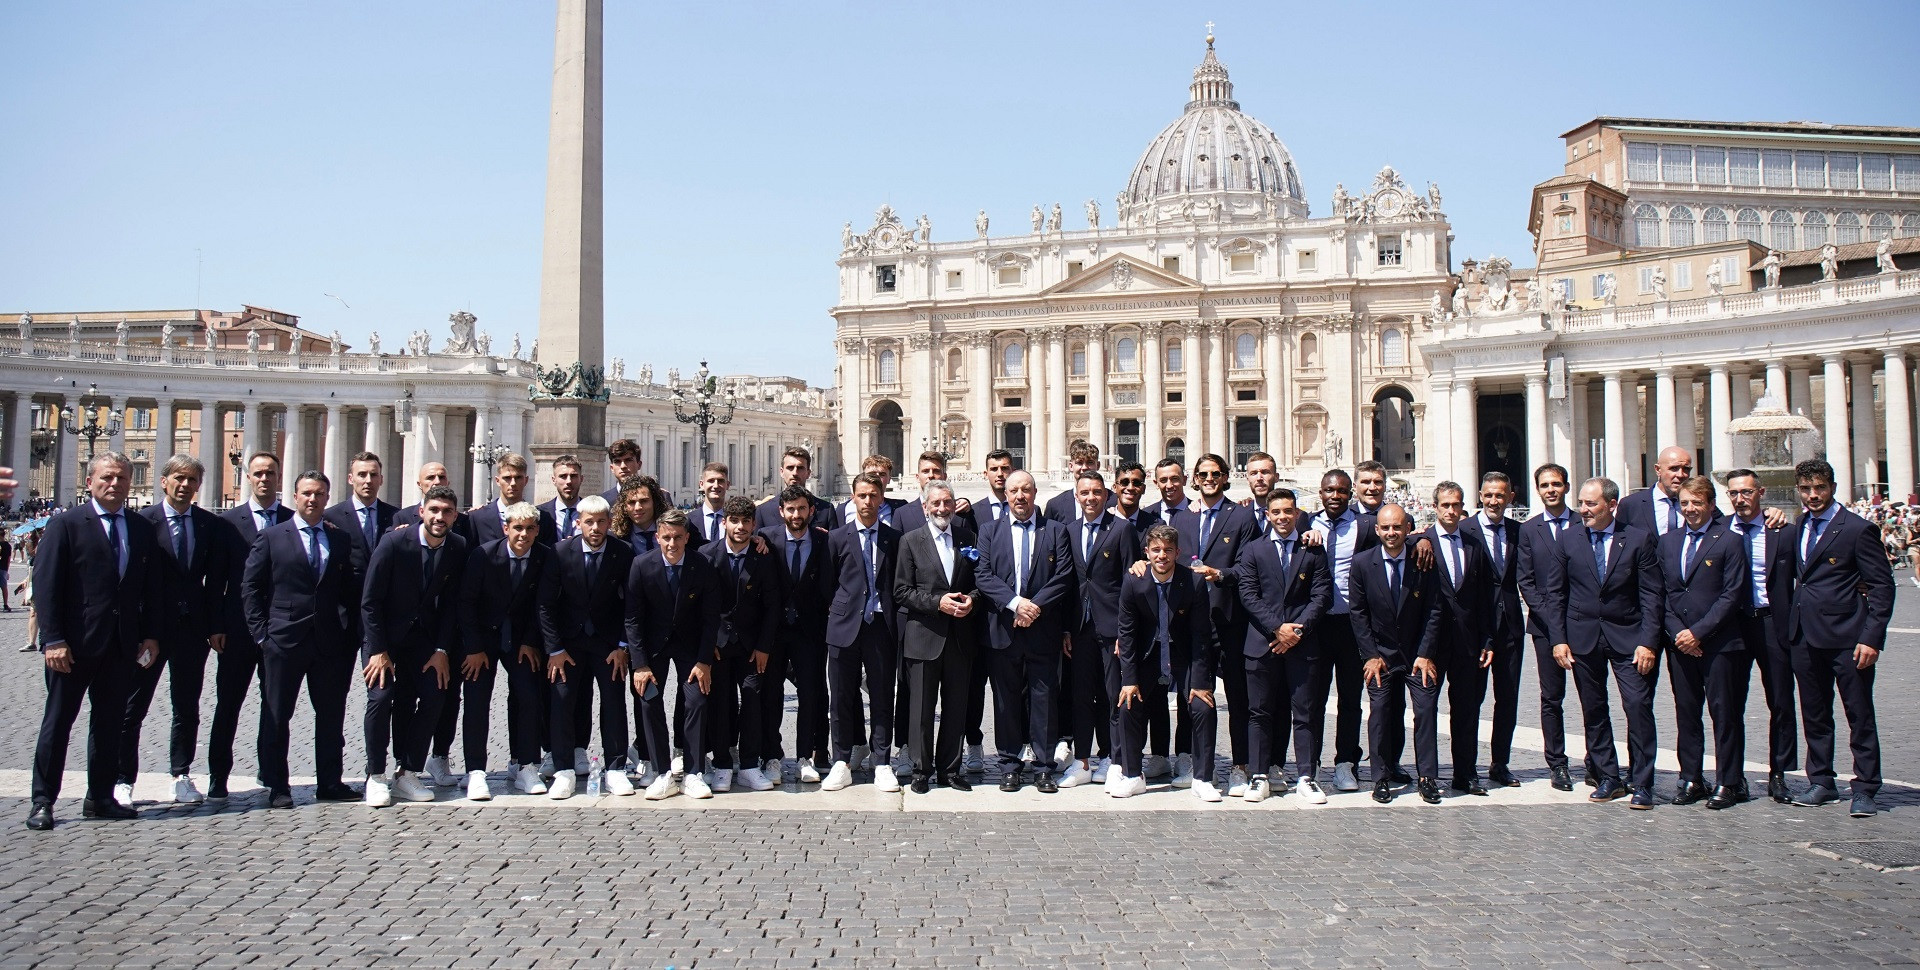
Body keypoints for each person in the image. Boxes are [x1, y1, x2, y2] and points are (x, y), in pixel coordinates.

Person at [27, 453, 162, 831]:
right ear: (90, 481)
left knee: (109, 724)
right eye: (107, 477)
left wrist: (149, 633)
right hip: (72, 645)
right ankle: (42, 801)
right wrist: (52, 639)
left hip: (120, 645)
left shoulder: (139, 528)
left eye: (121, 477)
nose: (115, 484)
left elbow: (149, 588)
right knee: (58, 722)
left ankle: (100, 797)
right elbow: (47, 587)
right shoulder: (66, 525)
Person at [1542, 477, 1663, 810]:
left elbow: (1652, 595)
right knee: (1593, 710)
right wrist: (1559, 640)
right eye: (1581, 503)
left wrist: (1649, 642)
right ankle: (1608, 775)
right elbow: (1556, 594)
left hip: (1629, 637)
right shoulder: (1568, 539)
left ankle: (1642, 782)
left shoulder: (1637, 540)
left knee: (1638, 706)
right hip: (1583, 637)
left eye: (1590, 504)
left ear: (1612, 505)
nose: (1583, 509)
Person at [243, 470, 362, 810]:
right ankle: (278, 785)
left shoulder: (338, 539)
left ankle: (330, 781)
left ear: (327, 498)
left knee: (330, 715)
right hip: (283, 640)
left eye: (320, 494)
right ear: (295, 496)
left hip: (327, 641)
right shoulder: (272, 536)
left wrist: (345, 628)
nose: (313, 499)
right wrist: (261, 633)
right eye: (307, 493)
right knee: (278, 715)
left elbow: (346, 588)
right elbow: (250, 587)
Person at [1783, 459, 1894, 817]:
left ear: (1832, 487)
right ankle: (1822, 780)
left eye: (1819, 488)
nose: (1813, 495)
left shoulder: (1857, 529)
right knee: (1815, 713)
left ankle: (1865, 786)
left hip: (1848, 636)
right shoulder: (1799, 525)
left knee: (1858, 713)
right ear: (1798, 489)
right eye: (1806, 489)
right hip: (1805, 635)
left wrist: (1872, 638)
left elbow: (1881, 586)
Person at [121, 456, 232, 808]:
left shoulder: (207, 524)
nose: (185, 485)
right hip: (149, 630)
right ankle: (123, 778)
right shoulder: (142, 522)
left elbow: (215, 582)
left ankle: (181, 773)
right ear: (164, 481)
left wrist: (215, 625)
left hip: (192, 629)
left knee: (187, 705)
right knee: (133, 705)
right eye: (179, 478)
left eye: (192, 480)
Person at [359, 484, 469, 807]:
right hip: (384, 639)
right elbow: (370, 601)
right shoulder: (394, 542)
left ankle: (407, 771)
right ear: (421, 511)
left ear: (454, 516)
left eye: (447, 512)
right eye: (433, 510)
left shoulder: (457, 547)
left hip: (424, 641)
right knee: (381, 698)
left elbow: (451, 605)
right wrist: (378, 651)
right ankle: (376, 774)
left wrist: (442, 650)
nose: (439, 517)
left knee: (437, 693)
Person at [976, 469, 1076, 793]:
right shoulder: (989, 532)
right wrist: (1016, 604)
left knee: (1044, 698)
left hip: (1042, 629)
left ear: (1035, 494)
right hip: (1004, 629)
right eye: (1014, 490)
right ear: (1006, 495)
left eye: (1026, 490)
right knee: (1005, 701)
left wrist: (1034, 607)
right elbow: (984, 575)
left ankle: (1044, 767)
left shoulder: (1055, 531)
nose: (1020, 496)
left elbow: (1063, 576)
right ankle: (1009, 764)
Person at [1658, 476, 1751, 809]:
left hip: (1719, 642)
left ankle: (1729, 780)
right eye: (1684, 503)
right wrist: (1678, 633)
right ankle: (1691, 776)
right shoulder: (1668, 542)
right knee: (1687, 713)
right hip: (1680, 643)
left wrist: (1698, 632)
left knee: (1724, 714)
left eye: (1697, 503)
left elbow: (1732, 595)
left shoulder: (1729, 541)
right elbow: (1664, 594)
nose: (1690, 509)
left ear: (1711, 505)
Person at [1235, 488, 1332, 803]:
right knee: (1259, 712)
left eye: (1288, 511)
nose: (1282, 517)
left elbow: (1322, 596)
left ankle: (1307, 775)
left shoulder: (1313, 550)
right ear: (1268, 515)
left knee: (1304, 712)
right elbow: (1248, 596)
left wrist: (1296, 631)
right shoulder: (1253, 550)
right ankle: (1260, 774)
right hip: (1263, 642)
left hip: (1302, 644)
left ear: (1297, 513)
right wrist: (1278, 628)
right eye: (1276, 512)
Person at [1170, 453, 1258, 794]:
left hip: (1229, 619)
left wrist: (1219, 574)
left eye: (1215, 473)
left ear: (1225, 478)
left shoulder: (1242, 517)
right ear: (1194, 478)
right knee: (1193, 697)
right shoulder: (1183, 519)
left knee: (1238, 698)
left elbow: (1248, 568)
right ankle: (1196, 763)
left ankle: (1240, 765)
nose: (1209, 478)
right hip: (1192, 623)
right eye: (1203, 474)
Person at [1111, 523, 1218, 800]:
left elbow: (1201, 634)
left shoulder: (1193, 582)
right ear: (1146, 552)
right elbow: (1127, 632)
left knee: (1203, 707)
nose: (1162, 556)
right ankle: (1133, 774)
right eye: (1156, 550)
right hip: (1148, 655)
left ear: (1177, 552)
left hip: (1183, 654)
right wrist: (1129, 680)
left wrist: (1201, 681)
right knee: (1128, 703)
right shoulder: (1134, 581)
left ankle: (1203, 778)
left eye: (1168, 551)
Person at [538, 495, 635, 799]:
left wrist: (622, 644)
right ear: (578, 523)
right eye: (588, 522)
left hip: (608, 645)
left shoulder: (623, 552)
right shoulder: (559, 552)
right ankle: (564, 769)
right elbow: (545, 604)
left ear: (609, 522)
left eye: (601, 521)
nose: (595, 528)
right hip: (569, 644)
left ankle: (617, 769)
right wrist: (554, 649)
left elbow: (631, 604)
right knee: (563, 701)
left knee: (614, 704)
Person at [454, 500, 551, 801]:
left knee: (528, 697)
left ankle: (525, 764)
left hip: (521, 639)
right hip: (482, 640)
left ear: (537, 531)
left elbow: (544, 605)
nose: (523, 534)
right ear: (505, 528)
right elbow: (466, 603)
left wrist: (531, 641)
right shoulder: (483, 555)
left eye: (529, 529)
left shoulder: (544, 557)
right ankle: (475, 771)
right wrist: (473, 648)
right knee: (476, 701)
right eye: (517, 528)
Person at [1347, 504, 1442, 804]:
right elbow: (1358, 613)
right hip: (1381, 655)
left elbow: (1434, 609)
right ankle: (1380, 777)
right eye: (1385, 528)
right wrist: (1370, 655)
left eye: (1397, 527)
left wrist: (1425, 653)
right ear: (1377, 530)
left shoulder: (1422, 560)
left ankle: (1427, 776)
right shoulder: (1362, 563)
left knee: (1426, 710)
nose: (1391, 533)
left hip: (1417, 655)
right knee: (1381, 713)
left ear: (1407, 529)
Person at [210, 451, 292, 800]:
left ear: (278, 476)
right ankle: (218, 775)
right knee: (228, 704)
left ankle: (273, 775)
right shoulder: (227, 522)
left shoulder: (293, 518)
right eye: (258, 473)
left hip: (280, 630)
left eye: (270, 473)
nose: (264, 479)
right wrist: (215, 624)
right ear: (247, 477)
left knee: (276, 707)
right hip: (237, 628)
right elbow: (214, 579)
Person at [627, 508, 724, 799]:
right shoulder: (641, 566)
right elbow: (632, 618)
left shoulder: (702, 565)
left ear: (686, 538)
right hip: (654, 647)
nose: (672, 544)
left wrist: (704, 661)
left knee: (696, 700)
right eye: (666, 538)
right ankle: (660, 772)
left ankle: (694, 772)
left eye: (678, 538)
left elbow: (710, 618)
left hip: (690, 647)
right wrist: (640, 664)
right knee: (649, 701)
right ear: (657, 537)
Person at [891, 480, 980, 793]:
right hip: (924, 635)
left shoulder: (968, 537)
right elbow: (901, 591)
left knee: (957, 707)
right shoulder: (911, 541)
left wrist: (973, 599)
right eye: (936, 503)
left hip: (959, 637)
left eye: (947, 503)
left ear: (954, 506)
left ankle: (950, 769)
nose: (942, 509)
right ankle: (920, 769)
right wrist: (936, 603)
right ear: (925, 507)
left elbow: (978, 582)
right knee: (921, 710)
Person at [820, 472, 901, 791]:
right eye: (862, 495)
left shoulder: (893, 539)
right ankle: (841, 760)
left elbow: (897, 581)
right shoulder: (837, 538)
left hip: (880, 626)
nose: (868, 501)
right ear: (853, 498)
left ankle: (882, 761)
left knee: (882, 695)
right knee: (840, 697)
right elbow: (827, 582)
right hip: (844, 625)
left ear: (882, 498)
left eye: (873, 496)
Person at [1725, 468, 1799, 803]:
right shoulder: (1720, 529)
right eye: (1734, 493)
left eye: (1746, 492)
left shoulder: (1781, 531)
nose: (1740, 499)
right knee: (1729, 703)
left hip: (1772, 622)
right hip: (1733, 625)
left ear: (1761, 492)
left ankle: (1780, 773)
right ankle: (1733, 775)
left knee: (1781, 700)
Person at [1061, 470, 1139, 788]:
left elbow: (1130, 584)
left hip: (1112, 627)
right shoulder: (1066, 531)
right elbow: (1066, 584)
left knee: (1112, 696)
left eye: (1096, 492)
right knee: (1080, 695)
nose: (1090, 497)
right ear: (1076, 497)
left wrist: (1126, 631)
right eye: (1085, 492)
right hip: (1079, 627)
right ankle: (1082, 760)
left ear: (1107, 496)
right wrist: (1065, 629)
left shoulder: (1122, 530)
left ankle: (1112, 757)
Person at [701, 496, 783, 792]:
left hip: (751, 646)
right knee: (721, 704)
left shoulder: (763, 556)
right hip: (719, 646)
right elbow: (702, 607)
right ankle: (722, 763)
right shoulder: (707, 555)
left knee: (752, 701)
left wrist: (763, 647)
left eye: (745, 521)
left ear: (754, 525)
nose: (740, 527)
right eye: (734, 521)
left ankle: (749, 764)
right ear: (724, 523)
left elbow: (772, 605)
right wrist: (707, 644)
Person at [1516, 463, 1588, 791]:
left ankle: (1598, 759)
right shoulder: (1528, 530)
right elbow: (1527, 583)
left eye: (1556, 484)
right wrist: (1554, 623)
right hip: (1545, 626)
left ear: (1567, 487)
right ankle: (1557, 763)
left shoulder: (1583, 522)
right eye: (1544, 484)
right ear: (1537, 489)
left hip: (1585, 623)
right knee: (1551, 697)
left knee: (1592, 695)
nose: (1550, 490)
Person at [1304, 470, 1375, 792]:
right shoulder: (1305, 524)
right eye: (1330, 490)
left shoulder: (1366, 526)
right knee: (1312, 699)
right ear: (1320, 492)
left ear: (1351, 494)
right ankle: (1312, 764)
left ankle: (1346, 762)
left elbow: (1398, 537)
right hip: (1316, 624)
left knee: (1351, 698)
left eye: (1342, 491)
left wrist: (1423, 538)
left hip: (1351, 623)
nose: (1335, 495)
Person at [1424, 482, 1495, 796]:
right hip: (1431, 644)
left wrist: (1487, 640)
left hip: (1467, 641)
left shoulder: (1474, 545)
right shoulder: (1420, 543)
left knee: (1466, 710)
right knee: (1425, 711)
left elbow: (1484, 597)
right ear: (1435, 507)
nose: (1451, 511)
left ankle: (1465, 773)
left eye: (1456, 505)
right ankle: (1426, 775)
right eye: (1445, 505)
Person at [760, 485, 833, 782]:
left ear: (811, 510)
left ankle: (805, 756)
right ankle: (772, 756)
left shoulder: (823, 540)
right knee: (771, 694)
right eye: (790, 510)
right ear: (781, 512)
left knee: (810, 694)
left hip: (809, 630)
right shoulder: (766, 539)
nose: (796, 515)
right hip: (775, 630)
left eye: (802, 509)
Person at [1458, 471, 1525, 787]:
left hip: (1510, 626)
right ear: (1480, 496)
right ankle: (1467, 767)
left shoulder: (1518, 531)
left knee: (1508, 698)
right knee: (1472, 698)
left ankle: (1500, 762)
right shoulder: (1463, 529)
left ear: (1510, 497)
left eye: (1501, 495)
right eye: (1489, 495)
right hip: (1475, 629)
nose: (1494, 500)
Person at [322, 451, 399, 579]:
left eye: (373, 475)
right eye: (362, 475)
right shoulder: (331, 516)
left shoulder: (395, 516)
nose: (368, 481)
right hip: (347, 594)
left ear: (381, 480)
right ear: (351, 479)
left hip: (383, 594)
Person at [467, 453, 558, 548]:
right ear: (497, 481)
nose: (513, 483)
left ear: (526, 480)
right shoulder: (478, 518)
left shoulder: (543, 517)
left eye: (518, 477)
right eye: (507, 478)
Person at [755, 446, 835, 532]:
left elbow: (836, 542)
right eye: (790, 468)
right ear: (781, 472)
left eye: (800, 468)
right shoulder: (763, 511)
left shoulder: (826, 510)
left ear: (808, 473)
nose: (795, 473)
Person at [836, 455, 908, 530]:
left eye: (882, 474)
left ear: (889, 479)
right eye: (872, 474)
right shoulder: (843, 510)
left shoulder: (901, 508)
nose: (877, 478)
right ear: (862, 476)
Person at [1043, 440, 1101, 523]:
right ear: (1070, 466)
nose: (1084, 467)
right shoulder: (1055, 505)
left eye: (1090, 462)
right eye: (1079, 463)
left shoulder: (1114, 502)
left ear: (1098, 465)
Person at [537, 454, 587, 542]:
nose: (569, 481)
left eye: (573, 476)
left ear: (581, 479)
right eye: (563, 476)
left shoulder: (591, 512)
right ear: (553, 480)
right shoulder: (540, 514)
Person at [692, 462, 734, 545]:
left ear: (728, 485)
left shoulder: (736, 520)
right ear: (702, 484)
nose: (715, 485)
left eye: (720, 481)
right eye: (711, 481)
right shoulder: (689, 521)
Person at [1239, 452, 1280, 534]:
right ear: (1248, 480)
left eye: (1265, 472)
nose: (1259, 478)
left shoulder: (1295, 517)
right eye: (1253, 473)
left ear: (1276, 477)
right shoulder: (1238, 514)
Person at [599, 437, 645, 506]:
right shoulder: (603, 502)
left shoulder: (656, 497)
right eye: (617, 461)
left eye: (628, 460)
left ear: (639, 465)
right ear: (612, 468)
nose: (623, 466)